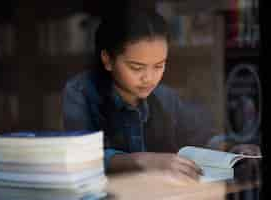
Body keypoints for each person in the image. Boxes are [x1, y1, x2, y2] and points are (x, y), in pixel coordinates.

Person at [62, 6, 261, 185]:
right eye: (136, 67)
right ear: (108, 60)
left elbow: (199, 134)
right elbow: (82, 157)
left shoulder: (165, 97)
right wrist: (145, 161)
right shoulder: (81, 92)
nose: (149, 78)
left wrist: (232, 149)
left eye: (159, 66)